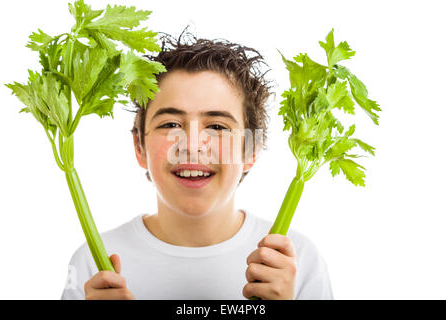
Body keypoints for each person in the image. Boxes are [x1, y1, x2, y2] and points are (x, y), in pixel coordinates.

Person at [60, 29, 333, 300]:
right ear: (139, 147)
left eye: (216, 126)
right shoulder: (93, 265)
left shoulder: (297, 261)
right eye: (170, 124)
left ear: (250, 148)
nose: (191, 144)